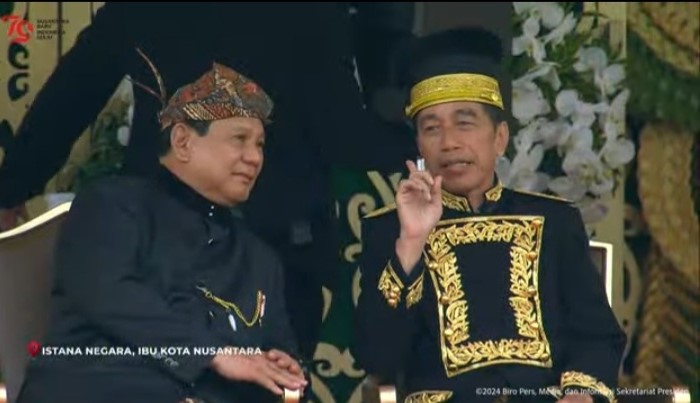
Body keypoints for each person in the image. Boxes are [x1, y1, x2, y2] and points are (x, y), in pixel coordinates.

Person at [0, 2, 418, 364]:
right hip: (275, 245)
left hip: (154, 242)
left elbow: (72, 94)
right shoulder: (306, 12)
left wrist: (12, 188)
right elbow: (341, 135)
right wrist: (429, 148)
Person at [352, 27, 627, 403]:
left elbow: (596, 335)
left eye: (464, 123)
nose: (449, 142)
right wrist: (412, 243)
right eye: (431, 128)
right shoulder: (391, 229)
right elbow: (377, 356)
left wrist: (581, 393)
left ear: (499, 138)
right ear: (419, 145)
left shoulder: (554, 220)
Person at [16, 59, 308, 403]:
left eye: (259, 145)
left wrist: (285, 369)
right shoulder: (113, 205)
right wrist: (211, 353)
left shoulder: (258, 257)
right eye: (239, 139)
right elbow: (108, 293)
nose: (254, 158)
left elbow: (278, 351)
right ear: (182, 141)